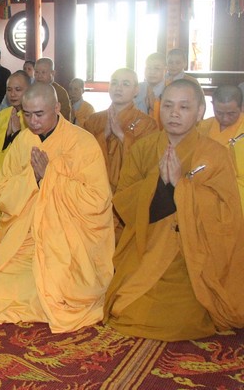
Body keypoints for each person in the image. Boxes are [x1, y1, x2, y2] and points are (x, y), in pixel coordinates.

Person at [0, 83, 115, 332]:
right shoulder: (23, 140)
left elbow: (97, 200)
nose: (33, 121)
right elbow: (3, 189)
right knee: (0, 289)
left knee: (59, 293)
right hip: (29, 235)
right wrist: (33, 177)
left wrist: (49, 176)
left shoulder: (82, 143)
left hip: (67, 240)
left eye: (39, 114)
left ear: (57, 107)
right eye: (27, 114)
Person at [105, 79, 244, 341]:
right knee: (125, 309)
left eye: (184, 107)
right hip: (147, 249)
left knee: (184, 321)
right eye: (168, 106)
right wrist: (157, 184)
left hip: (192, 260)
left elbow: (227, 215)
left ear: (200, 112)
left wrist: (182, 185)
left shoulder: (216, 154)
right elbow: (123, 200)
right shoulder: (144, 148)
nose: (174, 113)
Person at [84, 68, 158, 192]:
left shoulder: (148, 124)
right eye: (114, 83)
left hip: (129, 192)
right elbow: (82, 155)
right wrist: (103, 135)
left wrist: (122, 136)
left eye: (125, 84)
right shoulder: (93, 120)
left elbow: (148, 161)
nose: (118, 88)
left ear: (136, 90)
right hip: (95, 190)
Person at [0, 70, 31, 235]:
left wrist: (16, 134)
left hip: (16, 182)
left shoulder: (34, 118)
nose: (13, 94)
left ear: (29, 90)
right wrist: (6, 135)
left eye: (18, 89)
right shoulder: (3, 115)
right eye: (9, 90)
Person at [197, 85, 244, 215]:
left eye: (231, 113)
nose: (225, 118)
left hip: (238, 196)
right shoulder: (203, 127)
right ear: (212, 105)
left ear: (241, 107)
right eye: (219, 113)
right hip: (205, 193)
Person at [134, 52, 167, 125]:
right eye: (148, 68)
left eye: (157, 68)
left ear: (165, 70)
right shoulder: (136, 88)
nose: (152, 72)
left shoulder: (170, 90)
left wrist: (154, 107)